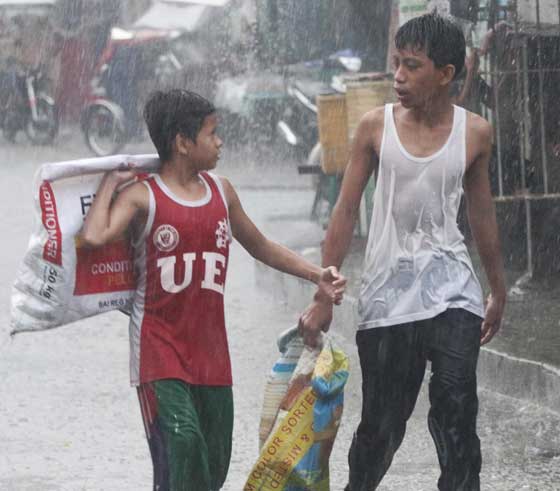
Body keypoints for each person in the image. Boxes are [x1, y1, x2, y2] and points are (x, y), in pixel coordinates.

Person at [79, 89, 346, 491]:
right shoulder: (143, 196)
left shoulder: (222, 192)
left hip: (212, 357)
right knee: (181, 446)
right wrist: (108, 184)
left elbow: (261, 245)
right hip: (159, 354)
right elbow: (95, 235)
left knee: (214, 464)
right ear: (182, 143)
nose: (220, 142)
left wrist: (316, 275)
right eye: (212, 133)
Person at [299, 13, 506, 491]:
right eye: (397, 63)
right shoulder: (375, 127)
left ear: (446, 74)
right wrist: (324, 294)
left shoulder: (474, 133)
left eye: (412, 66)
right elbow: (346, 211)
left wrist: (497, 289)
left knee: (456, 407)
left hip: (453, 290)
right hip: (388, 296)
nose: (398, 76)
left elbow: (482, 215)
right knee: (382, 428)